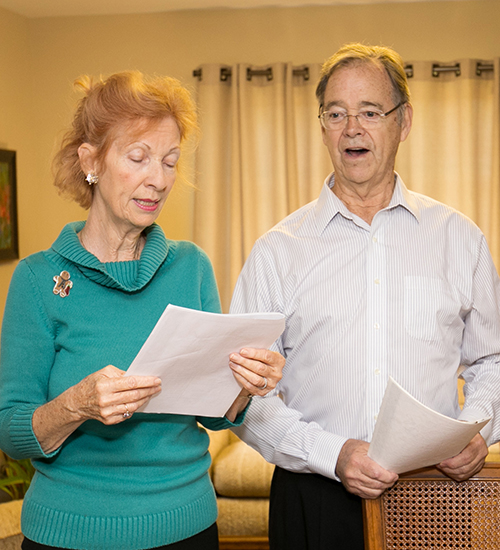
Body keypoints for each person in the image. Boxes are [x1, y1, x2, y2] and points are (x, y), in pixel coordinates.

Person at [230, 43, 500, 550]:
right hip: (312, 496)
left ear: (404, 121)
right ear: (323, 127)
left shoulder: (460, 238)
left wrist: (475, 427)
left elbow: (493, 359)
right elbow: (242, 398)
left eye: (370, 112)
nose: (352, 127)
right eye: (336, 113)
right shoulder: (275, 251)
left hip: (434, 494)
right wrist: (332, 454)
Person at [0, 71, 284, 550]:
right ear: (90, 161)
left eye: (170, 161)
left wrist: (245, 387)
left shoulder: (191, 266)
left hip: (187, 529)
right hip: (68, 534)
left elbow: (217, 415)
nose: (159, 179)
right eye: (139, 158)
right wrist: (76, 405)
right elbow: (12, 430)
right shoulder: (36, 279)